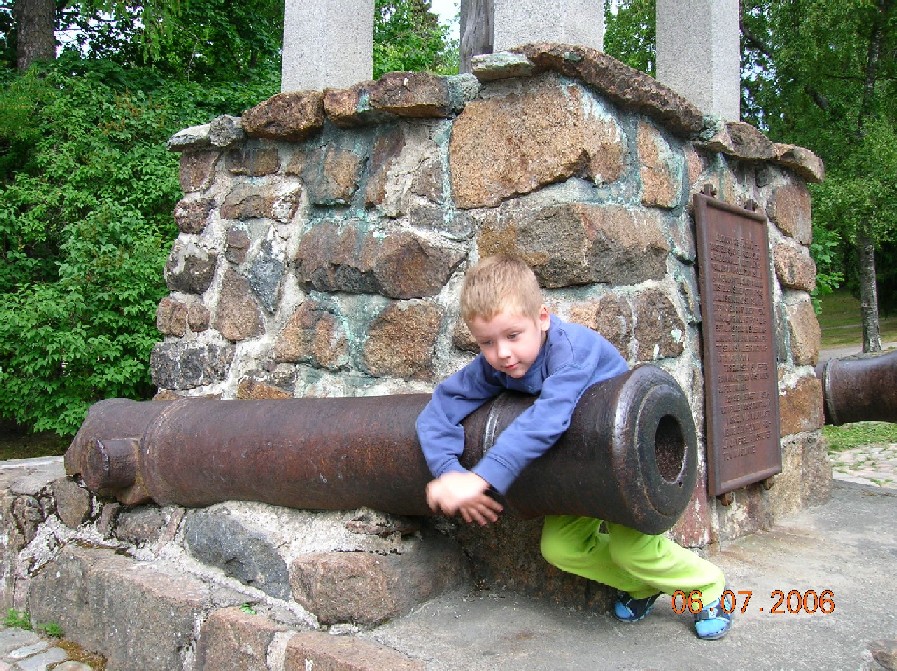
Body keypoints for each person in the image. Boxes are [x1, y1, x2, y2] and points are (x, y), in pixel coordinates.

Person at [415, 254, 733, 640]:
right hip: (577, 468)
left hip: (623, 463)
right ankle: (642, 585)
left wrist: (482, 476)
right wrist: (449, 470)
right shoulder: (494, 367)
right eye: (487, 342)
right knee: (561, 548)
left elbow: (548, 418)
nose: (502, 354)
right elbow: (436, 412)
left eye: (513, 335)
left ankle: (706, 587)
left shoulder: (571, 353)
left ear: (542, 319)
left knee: (632, 550)